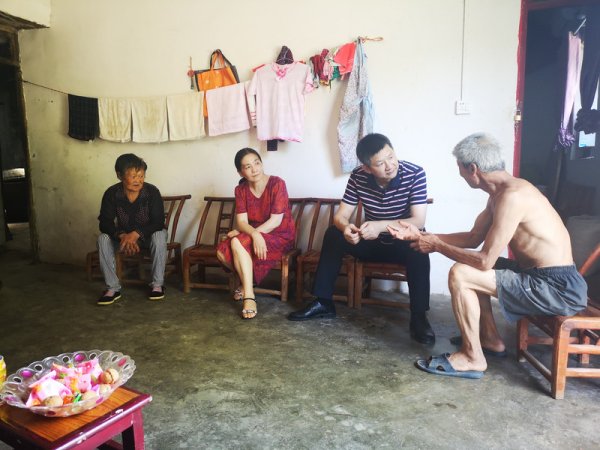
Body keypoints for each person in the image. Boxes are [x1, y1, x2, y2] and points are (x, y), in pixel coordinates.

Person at [388, 132, 588, 378]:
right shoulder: (500, 194)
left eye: (460, 169)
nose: (460, 174)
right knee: (469, 265)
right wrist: (420, 236)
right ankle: (490, 339)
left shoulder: (513, 197)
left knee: (462, 273)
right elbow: (473, 237)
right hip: (538, 276)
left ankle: (472, 357)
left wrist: (436, 245)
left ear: (473, 169)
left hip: (556, 287)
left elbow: (485, 261)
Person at [287, 133, 435, 345]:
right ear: (366, 168)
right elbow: (341, 216)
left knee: (419, 244)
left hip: (401, 243)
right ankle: (323, 302)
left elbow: (418, 221)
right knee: (334, 234)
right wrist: (347, 228)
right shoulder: (358, 176)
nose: (390, 166)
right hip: (372, 242)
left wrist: (380, 226)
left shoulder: (415, 173)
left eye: (391, 157)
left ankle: (419, 317)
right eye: (380, 163)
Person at [216, 148, 295, 319]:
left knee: (236, 242)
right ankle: (248, 283)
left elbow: (276, 221)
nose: (254, 169)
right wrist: (254, 234)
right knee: (222, 252)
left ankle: (249, 296)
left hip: (279, 235)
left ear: (261, 163)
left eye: (257, 163)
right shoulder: (241, 190)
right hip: (256, 234)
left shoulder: (277, 184)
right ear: (240, 172)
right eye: (248, 167)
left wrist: (251, 234)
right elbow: (242, 222)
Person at [97, 153, 167, 305]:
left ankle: (157, 285)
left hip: (147, 237)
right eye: (133, 176)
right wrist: (122, 236)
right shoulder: (112, 193)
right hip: (122, 238)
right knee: (102, 238)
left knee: (160, 235)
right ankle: (112, 288)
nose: (138, 180)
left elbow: (158, 222)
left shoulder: (152, 192)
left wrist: (137, 234)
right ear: (119, 175)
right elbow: (104, 223)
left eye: (141, 176)